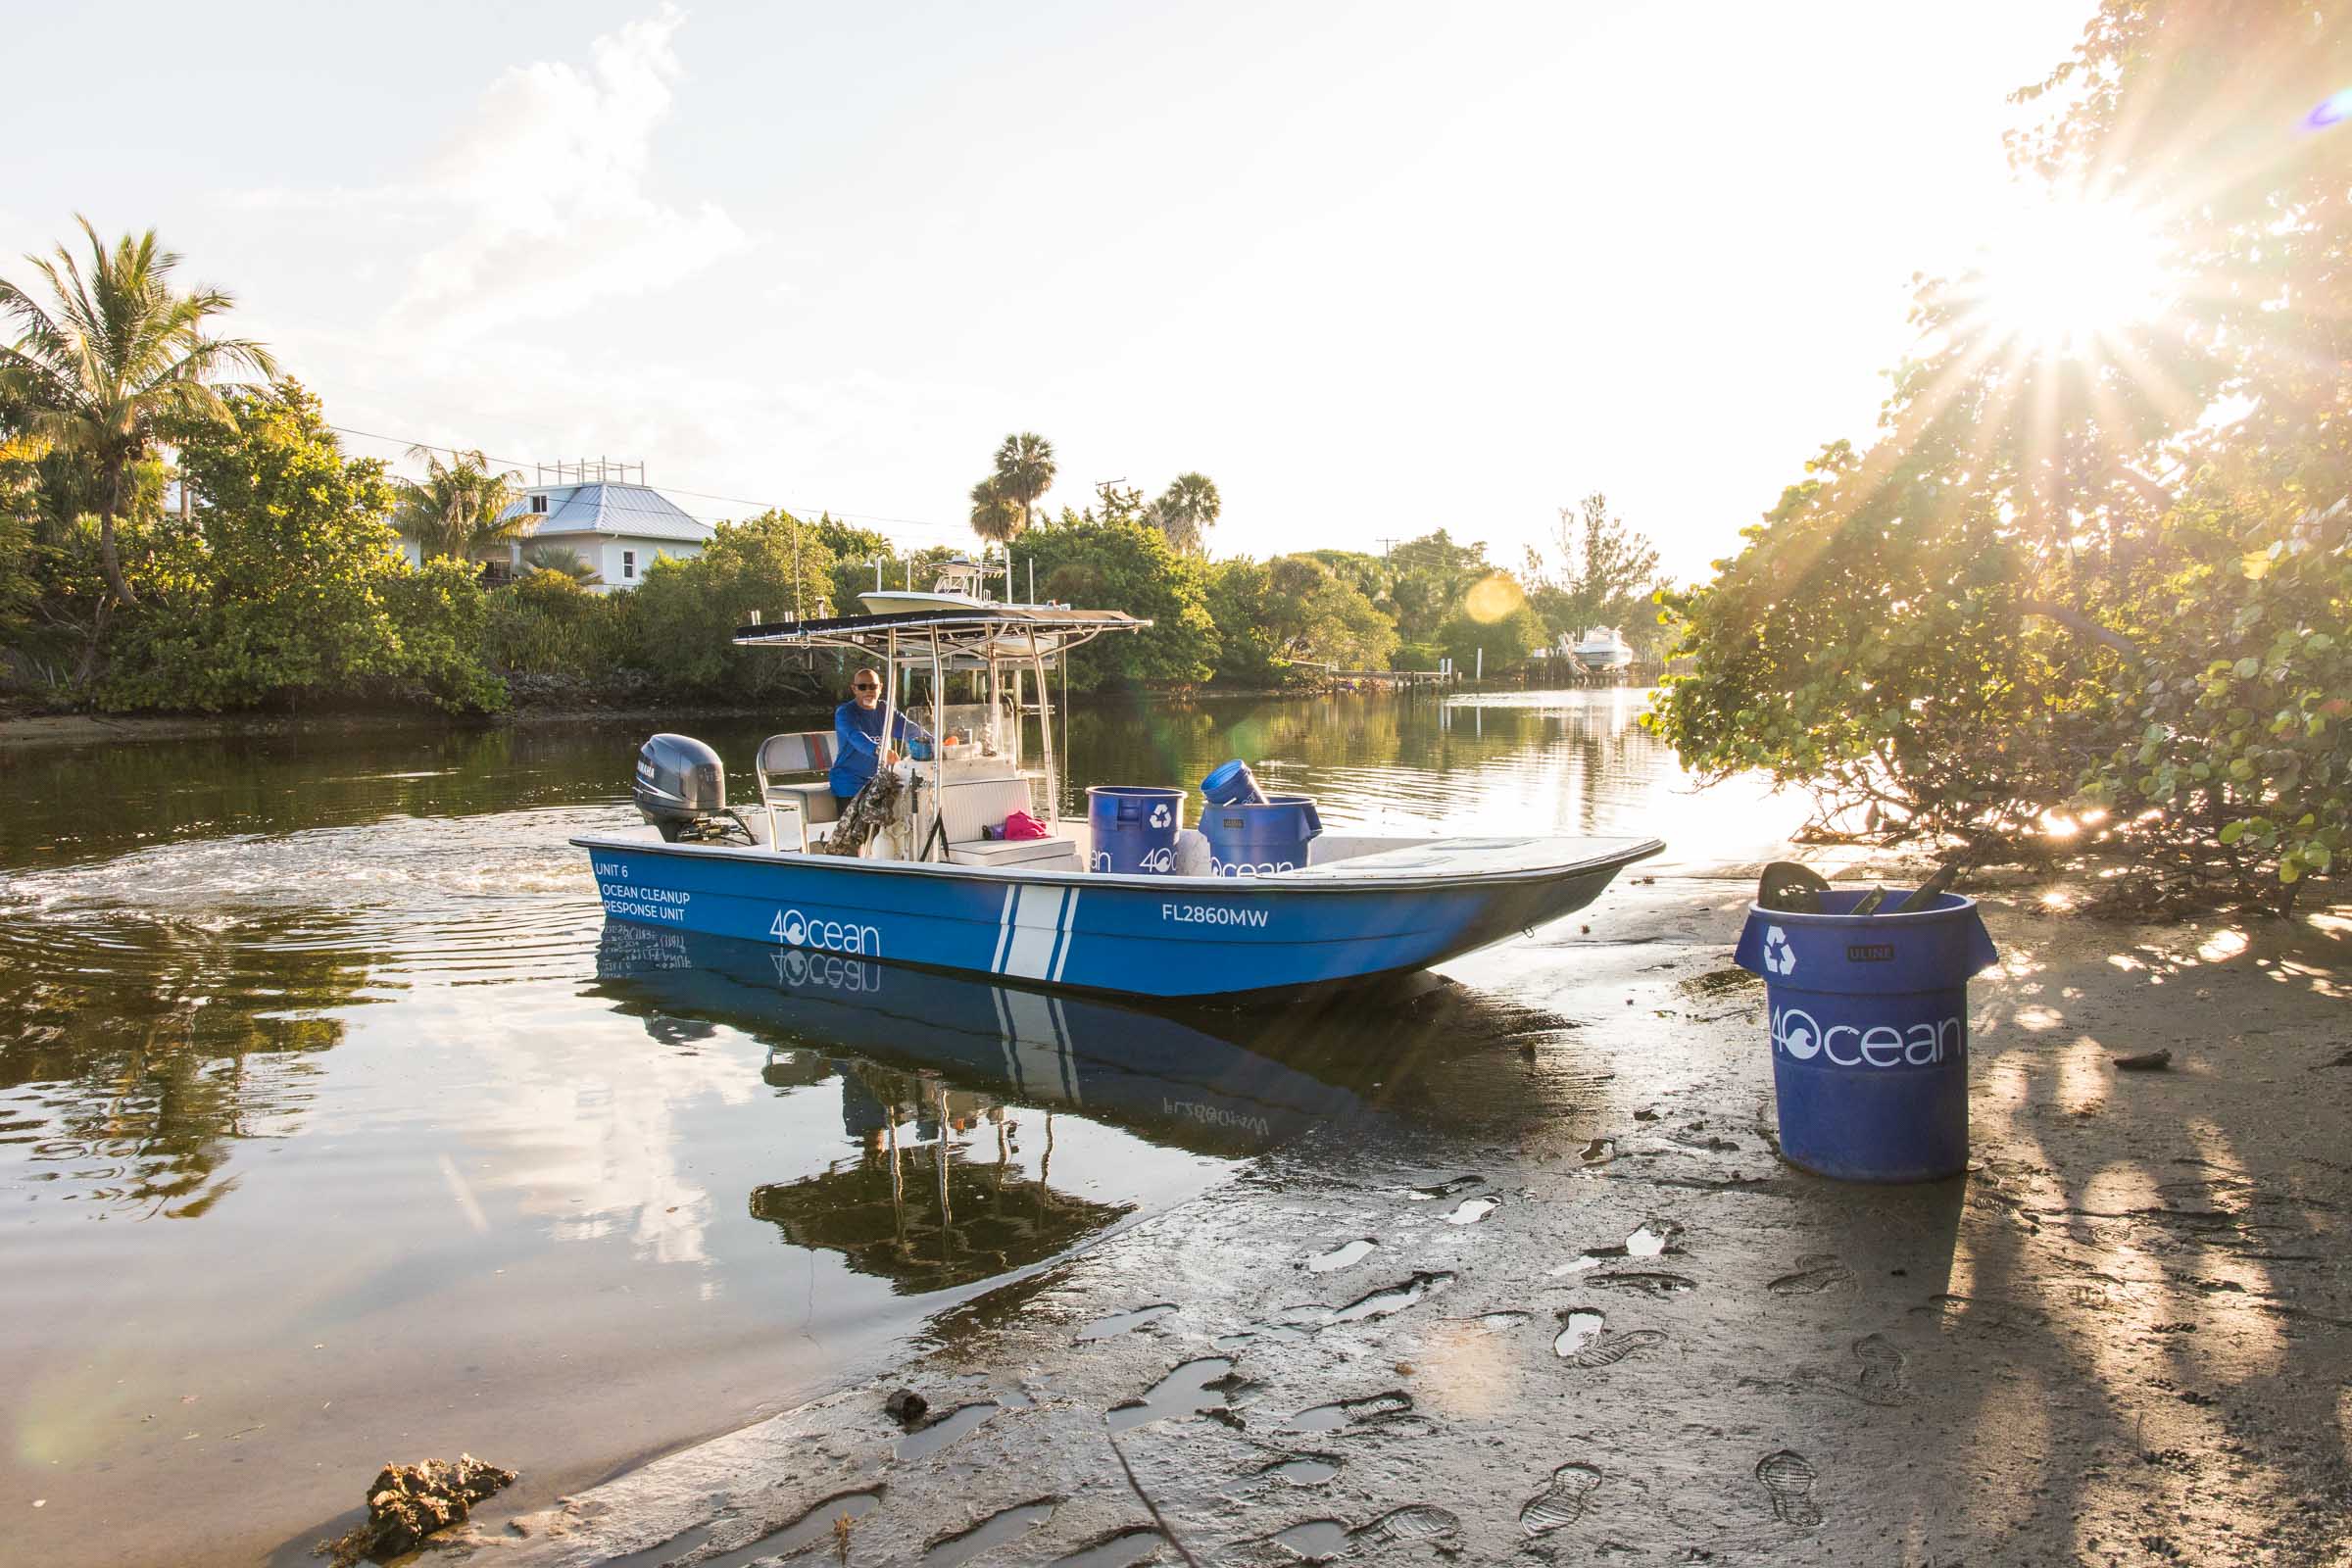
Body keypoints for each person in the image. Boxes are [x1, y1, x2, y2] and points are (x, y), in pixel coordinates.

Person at [829, 667, 931, 799]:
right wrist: (881, 751)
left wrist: (936, 743)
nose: (868, 691)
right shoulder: (845, 712)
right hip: (849, 785)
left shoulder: (885, 709)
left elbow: (910, 729)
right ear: (854, 689)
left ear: (880, 687)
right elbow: (856, 737)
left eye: (873, 686)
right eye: (862, 687)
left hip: (880, 782)